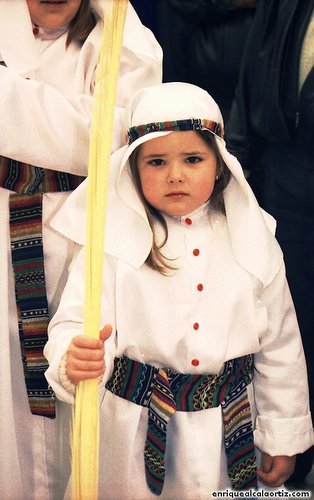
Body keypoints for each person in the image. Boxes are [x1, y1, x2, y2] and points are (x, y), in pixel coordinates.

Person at [44, 82, 313, 499]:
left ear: (220, 163)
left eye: (192, 159)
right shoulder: (108, 244)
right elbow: (76, 322)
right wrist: (73, 355)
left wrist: (283, 434)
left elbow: (280, 347)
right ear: (131, 168)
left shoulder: (255, 239)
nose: (175, 175)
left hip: (228, 434)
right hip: (130, 434)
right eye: (155, 161)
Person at [0, 1, 162, 498]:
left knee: (81, 368)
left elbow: (124, 142)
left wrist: (11, 102)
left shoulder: (129, 41)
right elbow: (92, 133)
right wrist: (79, 122)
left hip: (86, 236)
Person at [226, 0, 314, 485]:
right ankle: (288, 471)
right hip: (284, 185)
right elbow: (250, 80)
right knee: (285, 333)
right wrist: (233, 178)